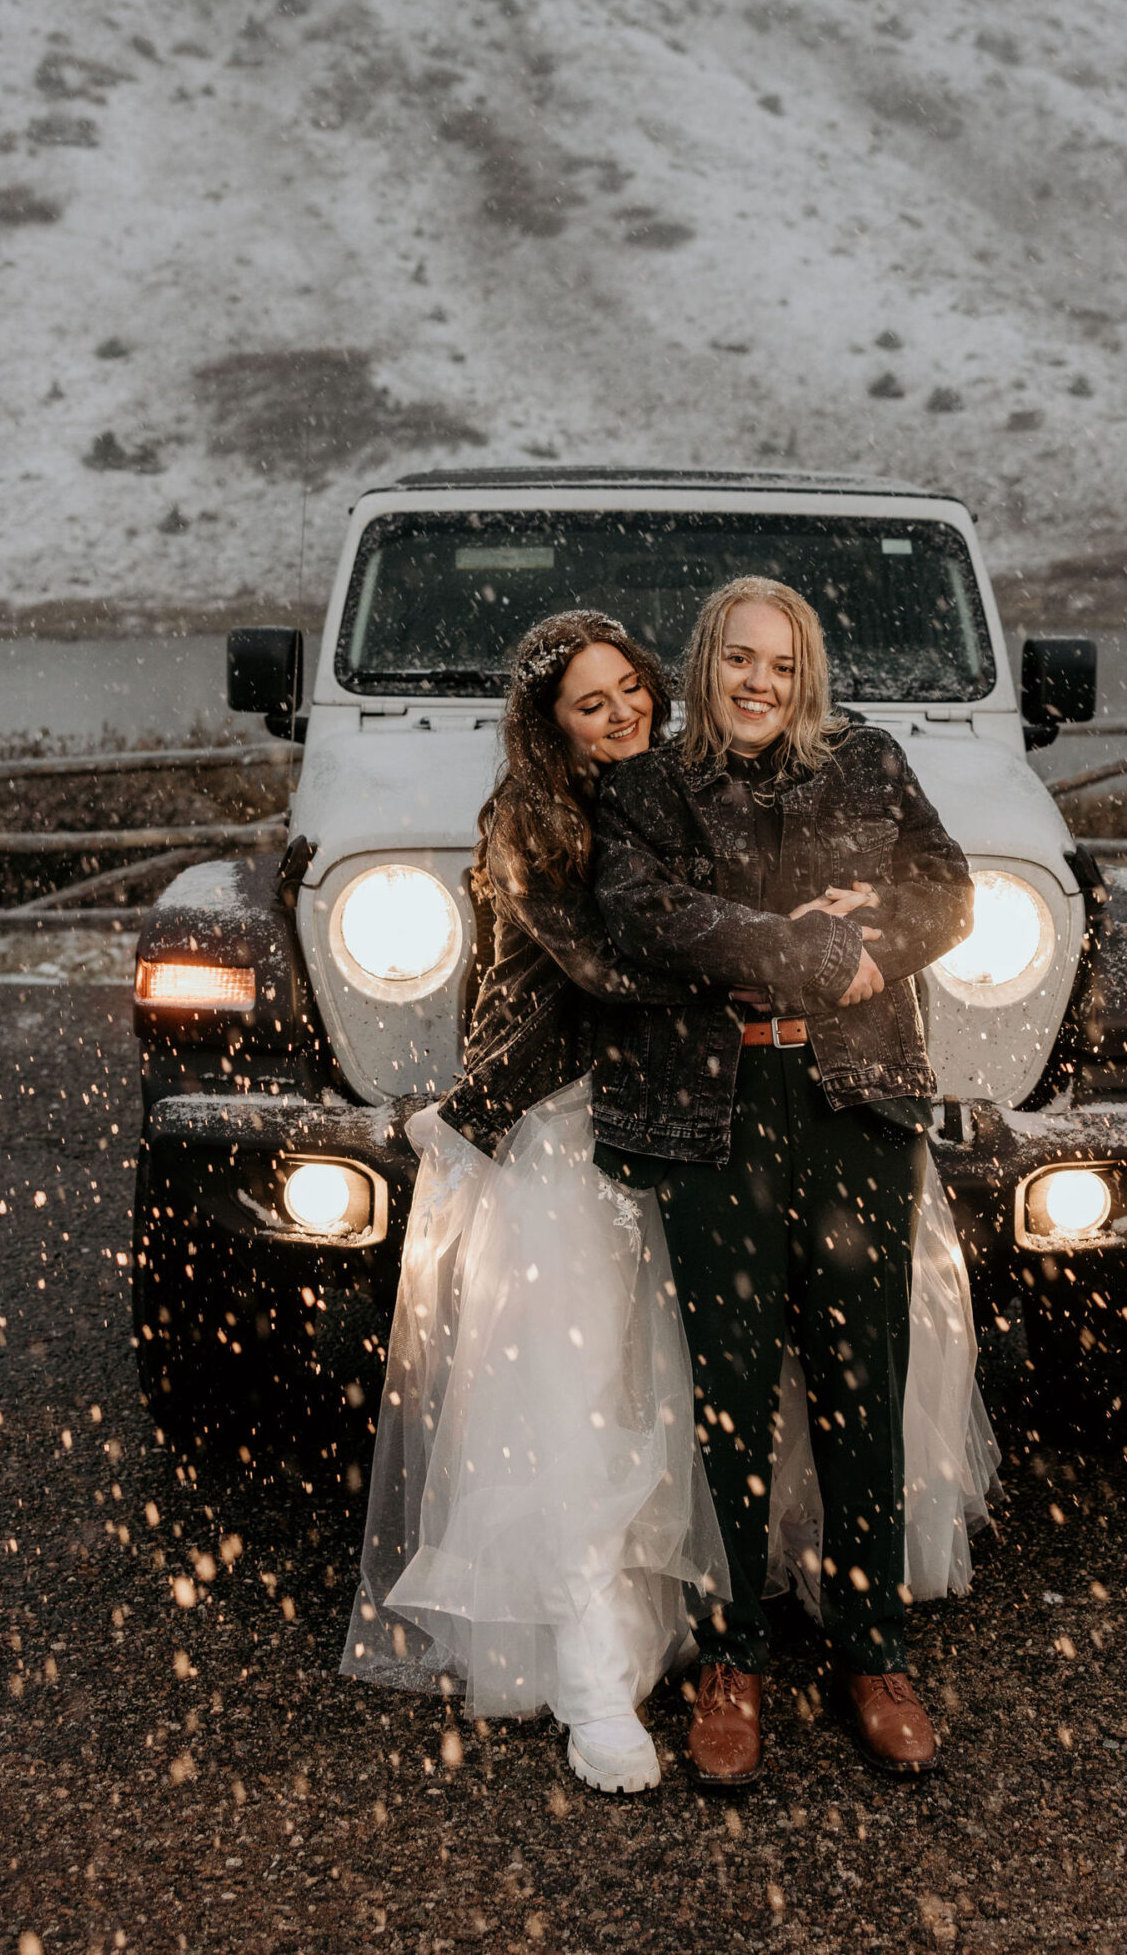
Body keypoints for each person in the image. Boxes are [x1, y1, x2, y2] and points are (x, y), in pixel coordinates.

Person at [589, 574, 983, 1785]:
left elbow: (948, 890)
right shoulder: (648, 789)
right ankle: (733, 1655)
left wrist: (870, 948)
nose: (759, 682)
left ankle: (873, 1649)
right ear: (704, 663)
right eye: (739, 659)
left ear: (807, 675)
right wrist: (809, 944)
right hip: (719, 1112)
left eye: (784, 663)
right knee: (730, 1380)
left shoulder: (867, 764)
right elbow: (641, 914)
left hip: (857, 1100)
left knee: (865, 1373)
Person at [342, 611, 722, 1795]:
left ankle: (630, 1641)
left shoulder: (671, 795)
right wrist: (759, 946)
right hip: (552, 1129)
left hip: (662, 1126)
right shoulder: (527, 817)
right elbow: (604, 973)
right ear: (547, 724)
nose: (621, 713)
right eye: (589, 701)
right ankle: (597, 1691)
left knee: (650, 1399)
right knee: (564, 1408)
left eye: (631, 690)